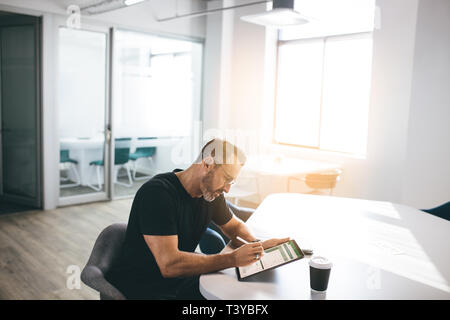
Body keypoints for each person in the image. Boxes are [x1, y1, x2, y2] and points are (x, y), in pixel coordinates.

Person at [107, 139, 289, 299]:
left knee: (241, 292)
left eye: (231, 182)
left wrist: (257, 244)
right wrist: (232, 259)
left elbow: (234, 227)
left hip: (177, 282)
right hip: (144, 288)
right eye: (226, 179)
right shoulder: (157, 194)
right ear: (207, 164)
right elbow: (169, 265)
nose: (227, 189)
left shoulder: (210, 194)